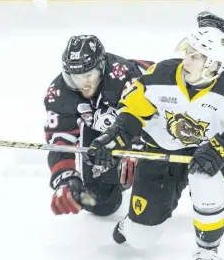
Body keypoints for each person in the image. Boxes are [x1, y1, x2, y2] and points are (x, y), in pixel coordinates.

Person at [85, 17, 224, 260]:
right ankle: (133, 224)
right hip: (160, 153)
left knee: (205, 180)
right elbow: (132, 112)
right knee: (140, 240)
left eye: (196, 57)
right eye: (188, 52)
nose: (186, 61)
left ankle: (207, 251)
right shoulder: (160, 75)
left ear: (214, 64)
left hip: (207, 156)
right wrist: (112, 137)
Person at [44, 34, 154, 216]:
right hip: (101, 126)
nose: (83, 83)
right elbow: (59, 137)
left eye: (88, 75)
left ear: (101, 67)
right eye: (75, 77)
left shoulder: (125, 76)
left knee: (156, 185)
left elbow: (151, 116)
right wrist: (65, 178)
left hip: (149, 123)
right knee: (101, 203)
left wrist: (135, 151)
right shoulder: (58, 92)